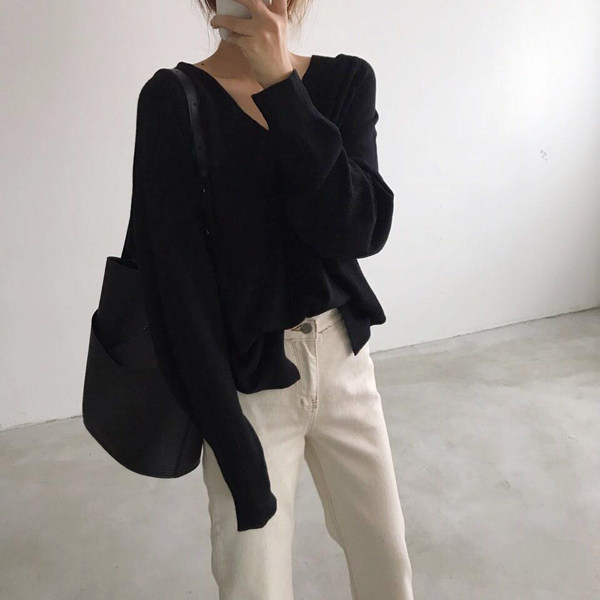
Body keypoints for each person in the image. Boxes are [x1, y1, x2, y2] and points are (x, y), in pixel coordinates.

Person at [130, 0, 414, 597]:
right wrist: (226, 431)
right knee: (253, 581)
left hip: (343, 360)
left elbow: (357, 231)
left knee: (387, 566)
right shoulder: (173, 100)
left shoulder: (344, 81)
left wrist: (282, 86)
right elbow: (177, 287)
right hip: (245, 383)